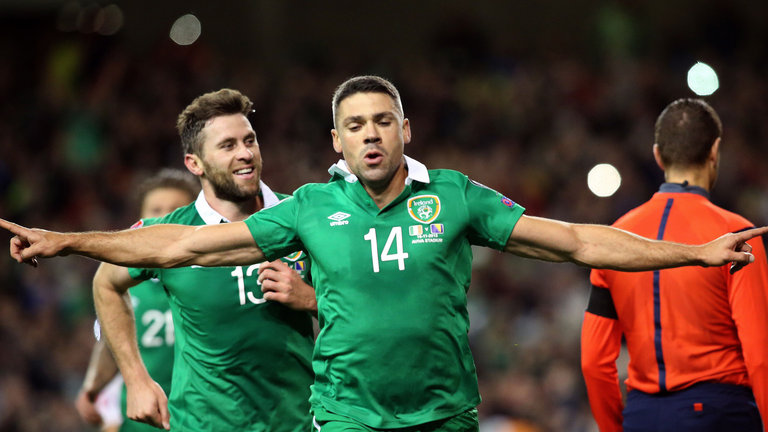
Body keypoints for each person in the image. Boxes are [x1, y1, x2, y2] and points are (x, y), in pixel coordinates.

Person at [2, 76, 766, 432]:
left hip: (441, 417)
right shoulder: (308, 209)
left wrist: (694, 254)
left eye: (383, 120)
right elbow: (182, 243)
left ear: (405, 131)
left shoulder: (456, 197)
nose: (370, 134)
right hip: (346, 421)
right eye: (355, 124)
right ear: (336, 141)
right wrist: (71, 240)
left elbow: (572, 241)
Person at [81, 89, 318, 431]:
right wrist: (135, 380)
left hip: (294, 422)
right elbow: (106, 282)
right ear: (195, 163)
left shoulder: (301, 218)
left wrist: (311, 299)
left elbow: (358, 311)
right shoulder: (166, 232)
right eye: (228, 146)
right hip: (201, 424)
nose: (246, 153)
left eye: (249, 140)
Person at [580, 98, 768, 432]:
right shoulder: (737, 235)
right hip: (722, 413)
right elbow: (760, 353)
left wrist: (615, 427)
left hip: (642, 416)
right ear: (715, 151)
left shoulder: (614, 238)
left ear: (657, 155)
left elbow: (594, 362)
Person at [75, 169, 198, 432]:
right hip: (143, 419)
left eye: (176, 209)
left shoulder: (214, 277)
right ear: (140, 222)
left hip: (202, 415)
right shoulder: (122, 284)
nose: (164, 218)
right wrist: (92, 386)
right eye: (155, 210)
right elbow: (112, 342)